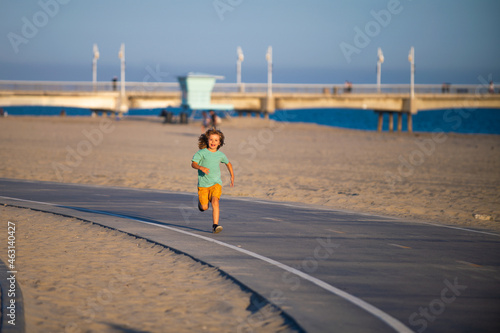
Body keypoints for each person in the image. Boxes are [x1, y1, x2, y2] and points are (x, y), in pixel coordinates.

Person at [191, 129, 234, 234]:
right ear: (207, 140)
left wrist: (232, 176)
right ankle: (201, 204)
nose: (213, 142)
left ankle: (215, 225)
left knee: (215, 201)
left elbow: (228, 163)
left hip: (216, 183)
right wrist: (200, 167)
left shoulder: (220, 155)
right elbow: (193, 164)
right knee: (205, 207)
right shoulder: (201, 153)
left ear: (219, 143)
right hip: (203, 185)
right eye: (211, 139)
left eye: (216, 140)